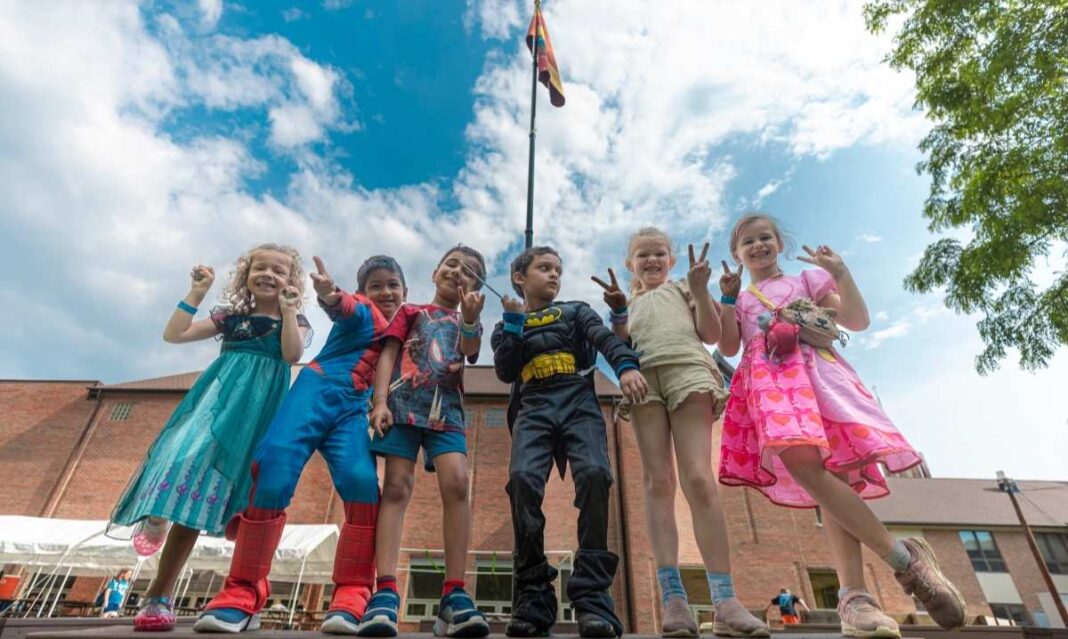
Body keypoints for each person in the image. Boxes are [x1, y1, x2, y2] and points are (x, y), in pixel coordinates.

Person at [717, 213, 967, 639]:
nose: (758, 246)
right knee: (808, 471)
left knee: (836, 481)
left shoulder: (809, 281)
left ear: (779, 242)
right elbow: (726, 345)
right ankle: (905, 560)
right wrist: (724, 299)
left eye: (765, 238)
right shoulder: (743, 299)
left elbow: (854, 320)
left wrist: (841, 274)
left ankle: (856, 599)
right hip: (772, 385)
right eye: (748, 243)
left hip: (822, 379)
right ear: (737, 254)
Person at [194, 255, 406, 635]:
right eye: (376, 285)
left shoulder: (404, 334)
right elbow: (344, 307)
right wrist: (329, 293)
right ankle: (244, 590)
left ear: (405, 292)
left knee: (362, 484)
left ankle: (354, 590)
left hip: (352, 412)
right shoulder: (363, 311)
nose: (385, 292)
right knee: (273, 467)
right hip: (316, 392)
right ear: (363, 292)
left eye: (393, 285)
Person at [110, 244, 310, 631]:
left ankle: (159, 596)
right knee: (176, 454)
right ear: (246, 275)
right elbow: (176, 334)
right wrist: (197, 292)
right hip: (214, 403)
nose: (269, 274)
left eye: (279, 270)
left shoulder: (294, 319)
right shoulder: (231, 318)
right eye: (260, 267)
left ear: (291, 281)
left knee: (196, 502)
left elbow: (290, 355)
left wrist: (288, 312)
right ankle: (155, 516)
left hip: (253, 416)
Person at [593, 227, 769, 638]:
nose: (651, 260)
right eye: (643, 255)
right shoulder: (631, 301)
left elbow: (710, 335)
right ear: (630, 264)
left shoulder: (683, 288)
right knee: (658, 481)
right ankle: (673, 598)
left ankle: (725, 600)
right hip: (642, 383)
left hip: (688, 371)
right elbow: (622, 344)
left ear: (671, 260)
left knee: (697, 478)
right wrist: (618, 310)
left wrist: (700, 288)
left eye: (659, 253)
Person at [492, 246, 648, 638]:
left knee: (596, 475)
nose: (554, 275)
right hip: (534, 405)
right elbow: (505, 370)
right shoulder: (506, 323)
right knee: (523, 482)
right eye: (544, 268)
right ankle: (533, 597)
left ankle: (593, 598)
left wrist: (626, 366)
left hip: (578, 400)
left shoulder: (576, 310)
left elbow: (603, 339)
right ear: (519, 278)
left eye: (558, 270)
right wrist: (512, 324)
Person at [362, 245, 489, 638]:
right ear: (435, 271)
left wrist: (471, 320)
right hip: (401, 406)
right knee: (397, 487)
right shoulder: (411, 311)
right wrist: (379, 401)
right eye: (451, 264)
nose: (457, 272)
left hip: (446, 413)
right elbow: (389, 354)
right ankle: (384, 591)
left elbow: (470, 351)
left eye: (469, 271)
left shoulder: (469, 318)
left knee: (457, 484)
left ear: (477, 286)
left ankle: (454, 593)